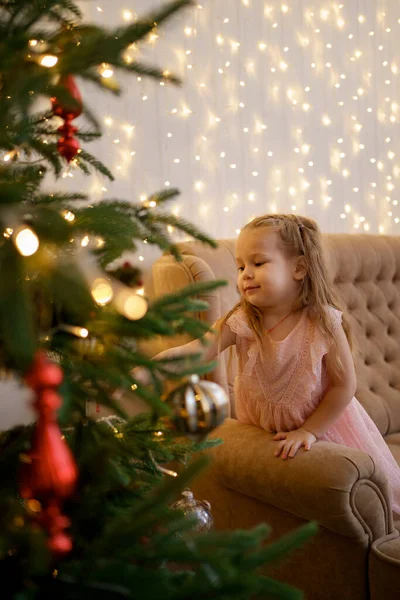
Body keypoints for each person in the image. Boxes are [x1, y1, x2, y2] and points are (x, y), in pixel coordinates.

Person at [138, 213, 400, 515]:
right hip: (264, 437)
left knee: (373, 507)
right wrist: (148, 369)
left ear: (299, 268)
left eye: (258, 263)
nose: (245, 274)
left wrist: (310, 431)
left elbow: (345, 386)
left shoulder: (322, 321)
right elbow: (196, 350)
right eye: (240, 266)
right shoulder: (242, 321)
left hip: (322, 433)